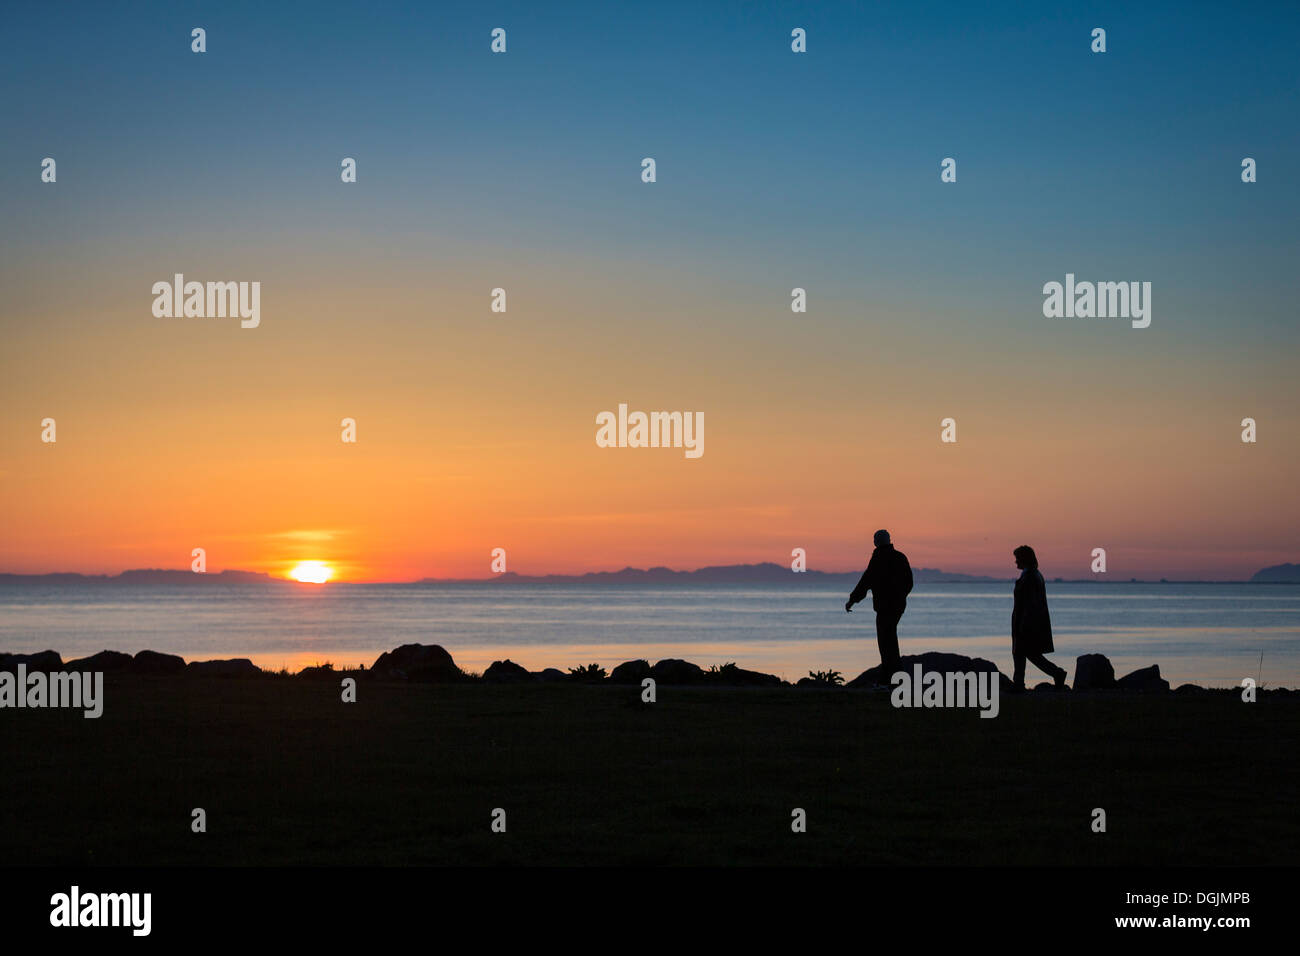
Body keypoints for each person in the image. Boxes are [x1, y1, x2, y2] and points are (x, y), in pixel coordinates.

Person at [845, 530, 913, 677]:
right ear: (889, 540)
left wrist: (852, 600)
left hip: (885, 607)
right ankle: (892, 676)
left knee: (886, 642)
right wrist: (900, 597)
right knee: (890, 639)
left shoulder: (878, 558)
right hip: (897, 607)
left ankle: (891, 677)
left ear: (876, 542)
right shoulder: (900, 557)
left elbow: (866, 581)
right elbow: (909, 583)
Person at [1010, 545, 1068, 690]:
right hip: (1026, 620)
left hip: (1027, 621)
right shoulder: (1031, 574)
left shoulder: (1031, 576)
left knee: (1025, 653)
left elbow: (1030, 603)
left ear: (1024, 559)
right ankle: (1054, 673)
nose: (1015, 562)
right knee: (1026, 653)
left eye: (1017, 558)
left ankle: (1020, 683)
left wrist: (1024, 623)